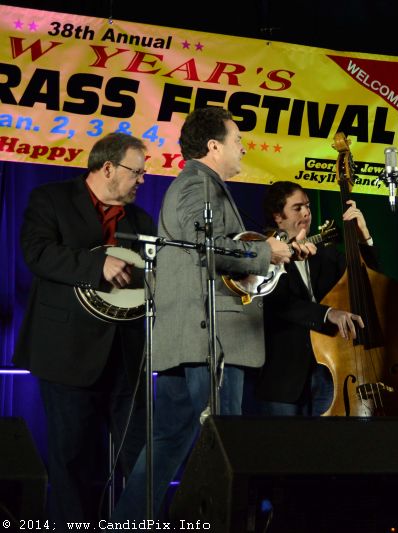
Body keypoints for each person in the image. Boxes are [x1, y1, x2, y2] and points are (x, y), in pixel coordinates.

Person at [112, 108, 312, 518]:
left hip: (192, 339)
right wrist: (265, 251)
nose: (243, 148)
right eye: (237, 140)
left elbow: (217, 247)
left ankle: (128, 523)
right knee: (222, 446)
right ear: (214, 146)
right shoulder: (196, 184)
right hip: (210, 340)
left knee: (168, 444)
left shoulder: (203, 184)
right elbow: (204, 246)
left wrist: (274, 251)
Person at [13, 133, 153, 521]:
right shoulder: (51, 199)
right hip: (67, 354)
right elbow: (37, 253)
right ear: (108, 168)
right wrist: (96, 265)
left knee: (143, 459)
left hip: (126, 359)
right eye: (136, 172)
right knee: (75, 463)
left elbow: (152, 276)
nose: (142, 180)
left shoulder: (141, 220)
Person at [250, 181, 377, 416]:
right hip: (283, 380)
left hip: (328, 374)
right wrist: (328, 314)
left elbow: (367, 282)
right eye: (297, 208)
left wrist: (363, 237)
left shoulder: (326, 253)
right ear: (278, 216)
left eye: (308, 206)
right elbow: (279, 303)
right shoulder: (262, 255)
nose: (307, 212)